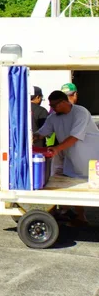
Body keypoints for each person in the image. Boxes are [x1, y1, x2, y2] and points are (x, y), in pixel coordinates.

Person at [35, 90, 99, 226]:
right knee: (74, 186)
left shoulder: (80, 112)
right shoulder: (53, 117)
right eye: (51, 105)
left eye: (55, 105)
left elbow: (75, 136)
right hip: (72, 157)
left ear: (64, 102)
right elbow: (42, 133)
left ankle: (76, 215)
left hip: (91, 158)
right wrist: (31, 137)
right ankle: (80, 217)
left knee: (93, 190)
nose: (52, 108)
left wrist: (57, 148)